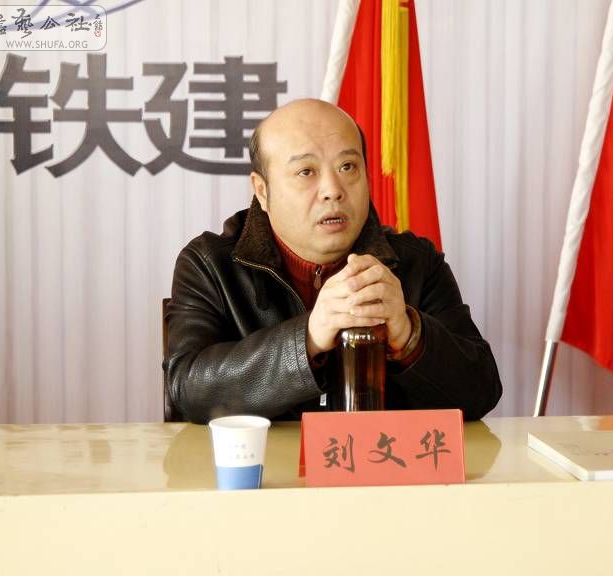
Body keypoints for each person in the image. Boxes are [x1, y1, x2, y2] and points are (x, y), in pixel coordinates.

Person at [165, 98, 501, 424]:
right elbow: (188, 389)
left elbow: (481, 391)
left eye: (347, 167)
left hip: (381, 460)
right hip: (263, 463)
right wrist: (308, 338)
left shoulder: (415, 262)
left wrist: (409, 334)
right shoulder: (210, 264)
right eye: (306, 171)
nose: (332, 190)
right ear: (262, 190)